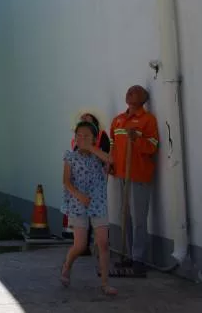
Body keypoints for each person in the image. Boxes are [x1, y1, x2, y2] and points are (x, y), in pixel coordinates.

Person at [59, 121, 117, 296]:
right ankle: (67, 266)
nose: (82, 139)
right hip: (78, 205)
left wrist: (92, 148)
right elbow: (66, 182)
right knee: (80, 245)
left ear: (93, 139)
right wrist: (79, 196)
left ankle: (105, 283)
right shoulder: (70, 156)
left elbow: (110, 160)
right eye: (79, 135)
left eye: (86, 136)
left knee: (103, 244)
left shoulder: (98, 155)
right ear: (74, 138)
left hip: (98, 203)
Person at [110, 85, 159, 275]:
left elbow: (152, 147)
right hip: (122, 175)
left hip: (138, 175)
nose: (129, 92)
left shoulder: (148, 120)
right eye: (128, 90)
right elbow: (113, 145)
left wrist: (136, 140)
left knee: (139, 218)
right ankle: (128, 255)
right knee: (125, 217)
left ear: (143, 98)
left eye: (135, 91)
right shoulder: (118, 120)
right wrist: (110, 162)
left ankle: (139, 259)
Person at [69, 112, 110, 257]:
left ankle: (99, 247)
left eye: (87, 119)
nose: (84, 121)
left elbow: (105, 154)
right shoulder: (77, 138)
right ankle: (83, 246)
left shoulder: (101, 135)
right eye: (82, 120)